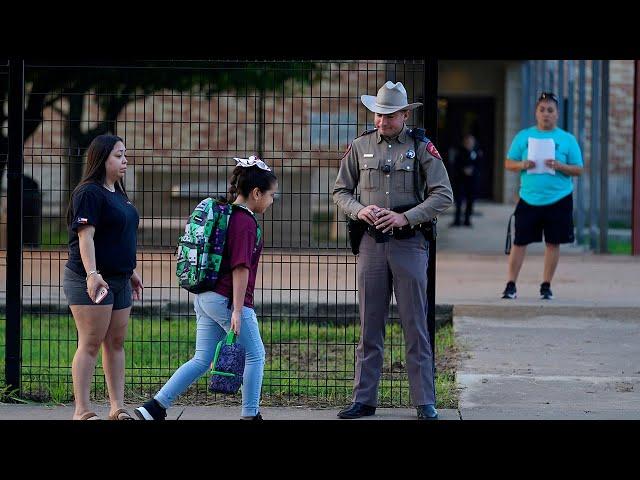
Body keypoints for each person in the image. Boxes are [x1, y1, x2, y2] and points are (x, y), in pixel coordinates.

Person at [333, 81, 453, 420]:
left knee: (415, 324)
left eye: (389, 115)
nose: (382, 121)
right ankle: (364, 399)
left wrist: (404, 217)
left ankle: (424, 401)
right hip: (371, 244)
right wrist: (359, 210)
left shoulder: (422, 148)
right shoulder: (359, 146)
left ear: (404, 115)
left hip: (409, 243)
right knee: (369, 324)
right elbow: (340, 191)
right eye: (378, 114)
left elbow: (443, 195)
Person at [134, 156, 277, 421]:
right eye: (271, 195)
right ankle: (250, 414)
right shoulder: (245, 223)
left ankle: (153, 408)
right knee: (256, 356)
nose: (271, 201)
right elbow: (240, 268)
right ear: (256, 193)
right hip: (227, 300)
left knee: (202, 359)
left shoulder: (223, 213)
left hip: (204, 296)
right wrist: (237, 309)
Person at [63, 134, 143, 420]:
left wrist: (130, 271)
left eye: (124, 154)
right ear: (102, 159)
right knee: (91, 341)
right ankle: (82, 410)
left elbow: (118, 235)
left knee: (116, 342)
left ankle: (116, 407)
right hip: (92, 279)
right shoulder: (89, 192)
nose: (125, 160)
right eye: (118, 155)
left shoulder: (117, 192)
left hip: (120, 279)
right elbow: (86, 237)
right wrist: (92, 274)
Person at [501, 92, 584, 300]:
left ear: (557, 114)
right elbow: (508, 163)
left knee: (553, 243)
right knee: (519, 242)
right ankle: (511, 284)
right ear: (536, 113)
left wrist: (560, 166)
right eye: (542, 110)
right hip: (529, 198)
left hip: (559, 199)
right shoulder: (524, 136)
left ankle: (546, 285)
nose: (546, 114)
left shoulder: (567, 139)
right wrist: (522, 164)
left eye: (550, 110)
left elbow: (579, 169)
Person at [450, 134, 482, 227]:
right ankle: (457, 220)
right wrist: (463, 170)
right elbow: (455, 165)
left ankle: (467, 220)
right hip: (460, 180)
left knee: (470, 201)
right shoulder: (459, 152)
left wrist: (473, 171)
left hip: (472, 181)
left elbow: (479, 166)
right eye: (467, 142)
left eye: (471, 142)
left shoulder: (477, 152)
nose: (469, 144)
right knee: (459, 201)